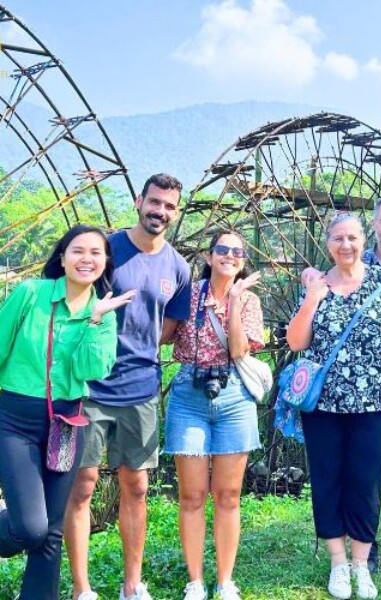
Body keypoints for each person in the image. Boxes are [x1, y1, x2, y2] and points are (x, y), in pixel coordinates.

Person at [65, 174, 192, 600]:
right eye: (154, 202)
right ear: (139, 201)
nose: (160, 211)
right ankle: (83, 588)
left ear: (176, 211)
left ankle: (132, 584)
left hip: (140, 389)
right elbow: (73, 301)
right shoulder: (108, 249)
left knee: (136, 486)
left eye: (169, 206)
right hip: (89, 386)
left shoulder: (178, 266)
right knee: (82, 484)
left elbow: (169, 329)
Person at [286, 212, 381, 600]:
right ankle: (338, 563)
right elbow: (297, 341)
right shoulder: (316, 285)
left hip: (377, 402)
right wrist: (312, 298)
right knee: (328, 478)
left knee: (367, 479)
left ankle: (361, 564)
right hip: (324, 403)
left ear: (365, 240)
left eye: (353, 238)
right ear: (328, 243)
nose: (346, 245)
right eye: (338, 238)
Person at [0, 225, 135, 600]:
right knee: (31, 527)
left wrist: (94, 320)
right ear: (62, 257)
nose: (86, 259)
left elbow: (90, 369)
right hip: (13, 420)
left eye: (96, 252)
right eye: (78, 250)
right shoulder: (31, 294)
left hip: (66, 422)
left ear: (106, 261)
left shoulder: (104, 313)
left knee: (52, 531)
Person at [165, 231, 264, 600]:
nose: (230, 256)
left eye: (238, 252)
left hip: (234, 394)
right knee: (191, 495)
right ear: (209, 256)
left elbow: (239, 350)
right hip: (189, 393)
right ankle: (195, 580)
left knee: (228, 495)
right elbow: (163, 335)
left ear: (242, 261)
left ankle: (225, 580)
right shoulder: (187, 294)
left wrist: (234, 300)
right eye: (222, 249)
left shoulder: (249, 300)